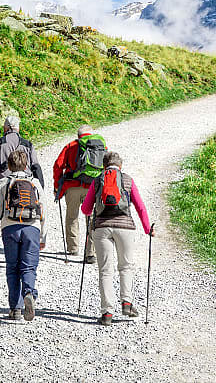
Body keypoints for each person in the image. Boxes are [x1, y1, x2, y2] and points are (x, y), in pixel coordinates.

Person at [80, 151, 152, 325]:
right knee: (125, 266)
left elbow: (85, 209)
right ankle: (127, 303)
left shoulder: (98, 180)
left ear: (104, 165)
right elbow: (140, 207)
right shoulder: (127, 180)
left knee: (105, 270)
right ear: (120, 166)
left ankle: (107, 313)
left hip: (102, 228)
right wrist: (148, 229)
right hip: (125, 227)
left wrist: (94, 211)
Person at [0, 149, 46, 321]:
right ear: (26, 164)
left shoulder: (3, 183)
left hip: (10, 228)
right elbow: (43, 210)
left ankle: (15, 309)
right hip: (32, 228)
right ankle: (29, 292)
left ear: (9, 165)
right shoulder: (35, 183)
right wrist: (43, 236)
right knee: (28, 267)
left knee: (12, 268)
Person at [53, 125, 107, 261]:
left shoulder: (71, 146)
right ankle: (90, 252)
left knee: (72, 217)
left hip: (72, 187)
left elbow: (58, 166)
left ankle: (73, 248)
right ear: (91, 134)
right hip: (93, 188)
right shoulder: (100, 146)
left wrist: (57, 187)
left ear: (78, 136)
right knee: (92, 219)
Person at [0, 116, 44, 203]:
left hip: (4, 186)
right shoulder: (28, 145)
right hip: (25, 186)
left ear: (5, 128)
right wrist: (40, 190)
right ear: (18, 128)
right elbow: (36, 168)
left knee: (0, 214)